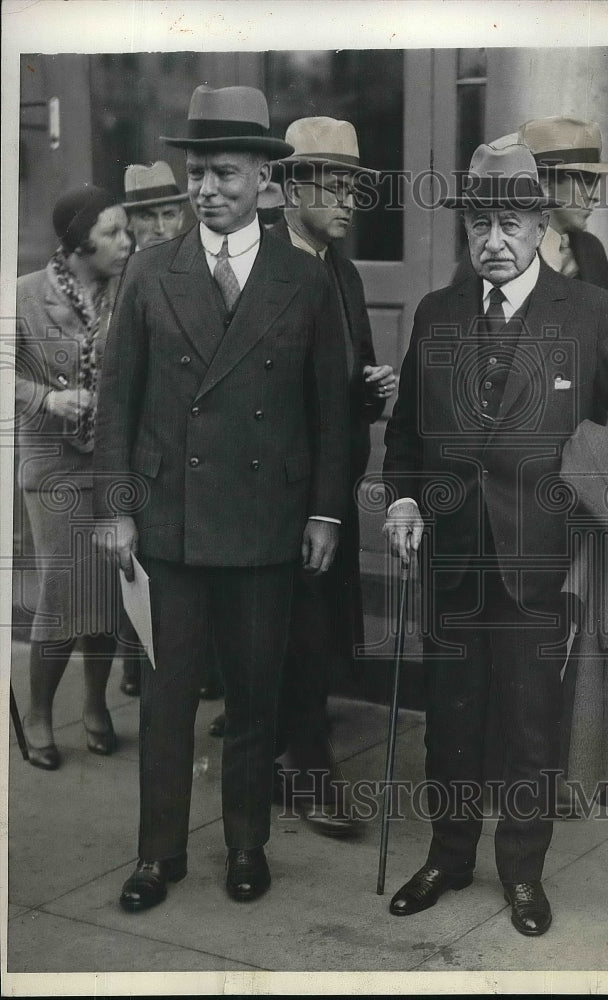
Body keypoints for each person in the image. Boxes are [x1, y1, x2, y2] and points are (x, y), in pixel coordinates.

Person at [382, 142, 608, 935]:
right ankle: (448, 857)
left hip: (540, 559)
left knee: (526, 720)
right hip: (450, 556)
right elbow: (406, 432)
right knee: (447, 716)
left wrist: (595, 478)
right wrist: (403, 501)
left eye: (509, 222)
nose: (493, 239)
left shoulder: (585, 314)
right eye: (479, 222)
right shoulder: (438, 312)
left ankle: (521, 873)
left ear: (540, 226)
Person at [93, 85, 350, 912]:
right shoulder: (148, 269)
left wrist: (323, 511)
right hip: (169, 524)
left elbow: (328, 411)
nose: (206, 188)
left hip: (268, 528)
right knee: (167, 703)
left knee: (252, 699)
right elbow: (116, 402)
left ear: (265, 179)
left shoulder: (302, 280)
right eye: (197, 172)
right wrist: (116, 507)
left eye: (225, 173)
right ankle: (156, 853)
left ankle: (246, 845)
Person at [263, 116, 396, 834]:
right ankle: (304, 767)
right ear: (290, 184)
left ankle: (292, 747)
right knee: (293, 626)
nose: (349, 199)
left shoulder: (340, 269)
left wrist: (369, 389)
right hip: (277, 486)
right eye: (335, 184)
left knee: (316, 626)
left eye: (353, 185)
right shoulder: (262, 262)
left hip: (334, 481)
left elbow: (347, 373)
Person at [15, 184, 131, 769]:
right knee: (63, 596)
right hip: (54, 470)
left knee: (107, 594)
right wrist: (45, 401)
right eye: (112, 232)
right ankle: (38, 713)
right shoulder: (25, 296)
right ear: (79, 241)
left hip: (111, 465)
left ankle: (94, 704)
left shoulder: (128, 292)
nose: (126, 242)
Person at [118, 160, 190, 697]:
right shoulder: (127, 276)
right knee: (130, 567)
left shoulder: (187, 270)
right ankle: (135, 663)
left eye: (171, 214)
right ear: (131, 223)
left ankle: (180, 665)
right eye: (150, 217)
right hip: (132, 448)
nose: (163, 228)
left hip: (177, 446)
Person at [518, 116, 608, 300]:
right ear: (546, 185)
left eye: (597, 182)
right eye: (586, 181)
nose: (596, 196)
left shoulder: (592, 250)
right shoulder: (499, 250)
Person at [122, 161, 188, 251]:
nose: (160, 229)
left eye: (169, 215)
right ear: (128, 221)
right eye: (147, 216)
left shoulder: (196, 263)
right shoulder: (122, 265)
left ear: (180, 219)